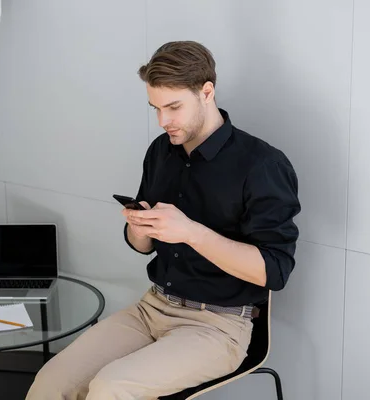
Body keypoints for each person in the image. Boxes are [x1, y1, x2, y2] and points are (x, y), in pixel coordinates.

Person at [26, 40, 301, 400]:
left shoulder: (262, 165)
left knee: (110, 390)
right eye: (155, 108)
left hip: (218, 326)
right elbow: (144, 246)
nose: (163, 121)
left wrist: (190, 232)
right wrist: (138, 228)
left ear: (206, 92)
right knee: (52, 380)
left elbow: (274, 272)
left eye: (173, 107)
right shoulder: (161, 151)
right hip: (152, 308)